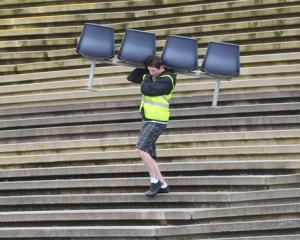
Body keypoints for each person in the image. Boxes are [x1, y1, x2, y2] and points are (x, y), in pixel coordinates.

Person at [127, 55, 176, 197]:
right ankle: (163, 184)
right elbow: (132, 78)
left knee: (141, 149)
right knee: (148, 153)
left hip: (157, 120)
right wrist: (144, 66)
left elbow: (147, 90)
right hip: (148, 118)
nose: (151, 72)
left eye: (154, 70)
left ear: (163, 68)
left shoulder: (168, 79)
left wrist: (147, 76)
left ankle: (154, 181)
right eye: (150, 70)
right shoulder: (151, 75)